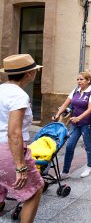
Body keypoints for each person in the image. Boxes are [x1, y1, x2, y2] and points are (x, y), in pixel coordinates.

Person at [0, 54, 44, 222]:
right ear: (29, 74)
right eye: (35, 71)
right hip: (7, 149)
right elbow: (14, 133)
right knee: (35, 189)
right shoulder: (18, 95)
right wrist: (20, 166)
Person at [52, 72, 91, 179]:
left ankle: (90, 167)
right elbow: (65, 104)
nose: (79, 81)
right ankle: (65, 172)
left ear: (88, 81)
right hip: (75, 124)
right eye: (78, 79)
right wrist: (57, 115)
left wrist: (79, 118)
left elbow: (90, 109)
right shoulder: (75, 91)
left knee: (88, 145)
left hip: (88, 124)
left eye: (81, 79)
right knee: (69, 146)